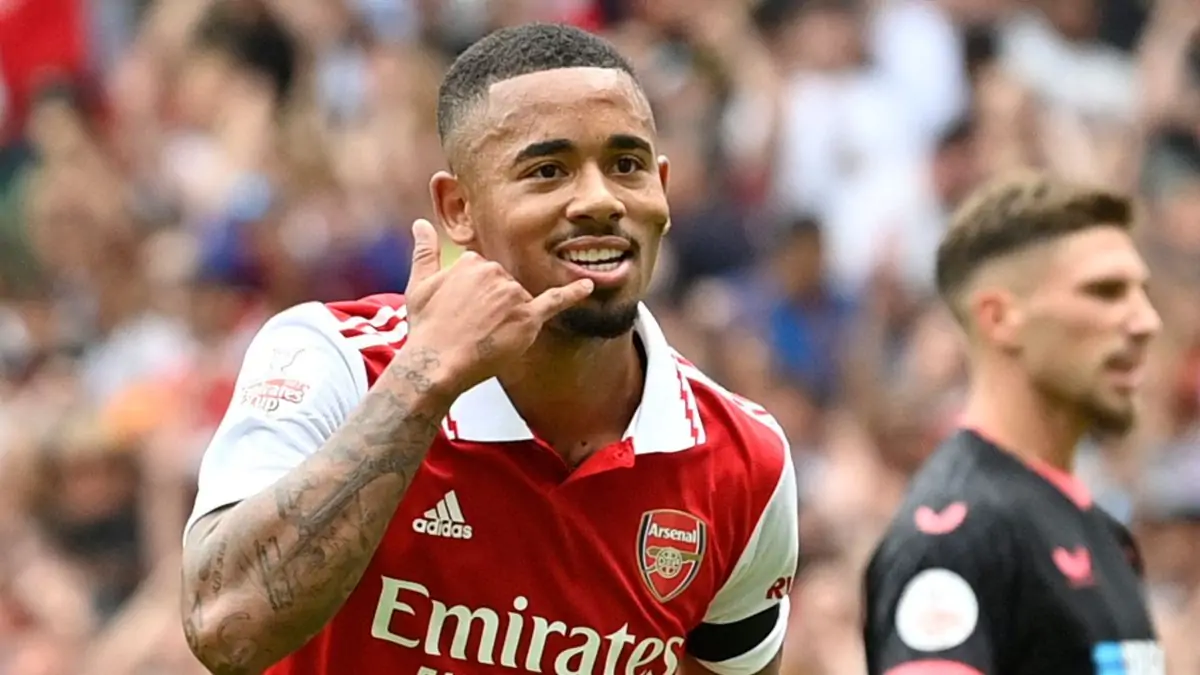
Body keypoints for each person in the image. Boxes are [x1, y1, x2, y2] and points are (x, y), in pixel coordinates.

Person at [179, 22, 799, 675]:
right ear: (458, 209)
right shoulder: (333, 360)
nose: (600, 200)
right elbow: (224, 627)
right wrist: (422, 384)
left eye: (627, 165)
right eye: (548, 171)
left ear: (663, 189)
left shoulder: (745, 462)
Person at [862, 172, 1165, 675]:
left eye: (1142, 292)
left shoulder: (1106, 534)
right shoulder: (957, 537)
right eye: (1106, 291)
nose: (1145, 321)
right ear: (1000, 318)